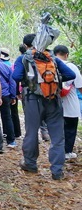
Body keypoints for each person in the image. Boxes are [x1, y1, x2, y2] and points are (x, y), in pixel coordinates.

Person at [12, 34, 77, 180]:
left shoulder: (24, 58)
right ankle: (57, 171)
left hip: (32, 99)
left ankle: (30, 163)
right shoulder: (52, 57)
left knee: (31, 132)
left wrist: (31, 82)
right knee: (57, 137)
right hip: (54, 99)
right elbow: (70, 74)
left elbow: (15, 77)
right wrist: (52, 83)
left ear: (27, 45)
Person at [53, 45, 82, 160]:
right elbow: (80, 85)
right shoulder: (71, 66)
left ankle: (57, 150)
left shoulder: (51, 65)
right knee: (70, 128)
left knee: (58, 129)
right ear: (66, 55)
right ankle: (67, 152)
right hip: (69, 103)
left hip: (54, 103)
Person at [0, 47, 17, 148]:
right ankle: (11, 141)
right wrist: (13, 96)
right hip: (5, 94)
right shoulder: (6, 66)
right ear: (0, 55)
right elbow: (12, 82)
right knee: (6, 117)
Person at [1, 48, 22, 139]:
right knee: (14, 112)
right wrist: (16, 93)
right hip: (13, 91)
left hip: (4, 92)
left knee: (5, 114)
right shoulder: (11, 65)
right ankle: (17, 132)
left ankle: (7, 132)